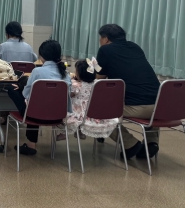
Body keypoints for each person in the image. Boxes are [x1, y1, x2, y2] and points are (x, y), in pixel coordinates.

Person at [95, 24, 161, 159]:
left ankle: (130, 144)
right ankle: (151, 142)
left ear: (106, 39)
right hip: (160, 106)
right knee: (150, 99)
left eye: (100, 38)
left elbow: (99, 78)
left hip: (136, 107)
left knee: (97, 112)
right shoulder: (135, 47)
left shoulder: (105, 50)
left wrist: (92, 67)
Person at [5, 39, 71, 156]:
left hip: (34, 115)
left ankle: (31, 145)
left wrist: (21, 87)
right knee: (38, 102)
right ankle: (31, 145)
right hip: (58, 116)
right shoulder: (66, 75)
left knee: (13, 90)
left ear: (42, 56)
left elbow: (26, 95)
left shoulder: (37, 71)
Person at [62, 58, 119, 140]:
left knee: (66, 111)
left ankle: (64, 133)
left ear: (79, 74)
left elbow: (68, 95)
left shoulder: (76, 85)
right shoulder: (97, 84)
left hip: (80, 113)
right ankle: (80, 132)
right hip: (94, 113)